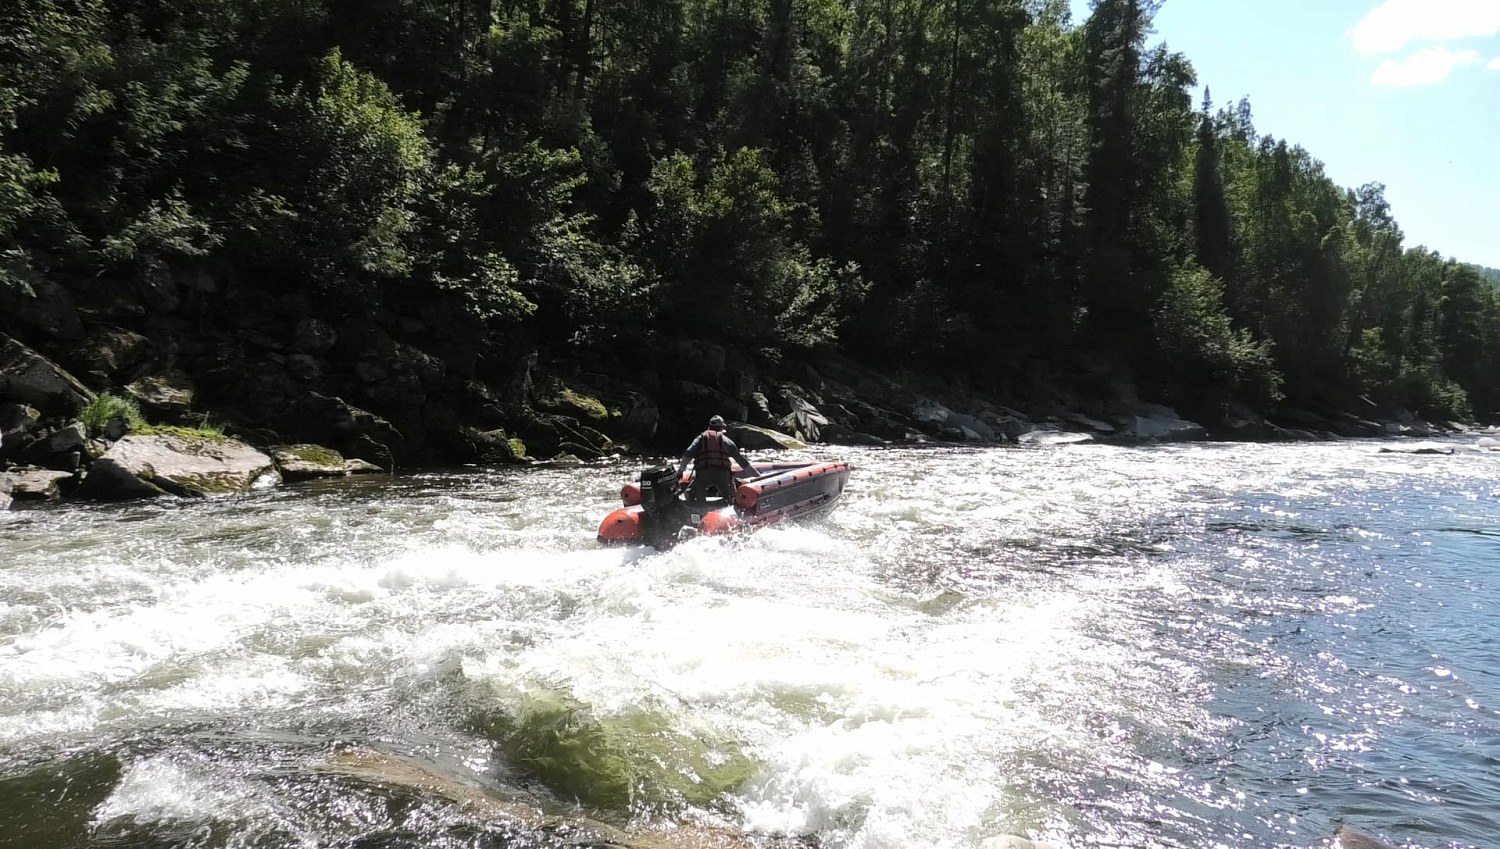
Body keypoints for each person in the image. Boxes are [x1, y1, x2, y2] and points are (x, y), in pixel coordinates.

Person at [676, 415, 762, 502]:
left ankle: (699, 508)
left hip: (703, 474)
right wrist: (758, 477)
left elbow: (687, 454)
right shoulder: (726, 440)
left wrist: (680, 471)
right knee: (732, 498)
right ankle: (731, 507)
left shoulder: (700, 439)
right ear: (722, 428)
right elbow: (741, 460)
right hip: (723, 474)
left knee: (689, 494)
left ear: (709, 427)